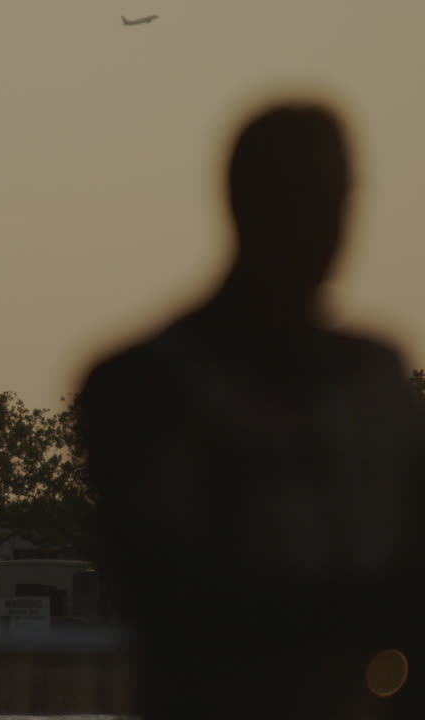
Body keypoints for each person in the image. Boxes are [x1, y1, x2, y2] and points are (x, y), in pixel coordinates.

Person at [80, 102, 424, 719]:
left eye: (337, 199)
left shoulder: (375, 375)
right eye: (301, 197)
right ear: (243, 201)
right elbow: (175, 605)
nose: (326, 225)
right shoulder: (146, 386)